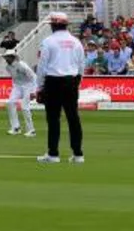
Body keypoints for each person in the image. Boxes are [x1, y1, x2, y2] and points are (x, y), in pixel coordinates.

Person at [33, 11, 86, 163]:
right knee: (73, 118)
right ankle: (78, 154)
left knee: (53, 119)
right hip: (71, 81)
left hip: (53, 82)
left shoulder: (48, 41)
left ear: (53, 25)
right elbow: (81, 64)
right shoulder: (76, 42)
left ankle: (53, 154)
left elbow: (42, 66)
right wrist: (77, 81)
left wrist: (39, 86)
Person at [3, 52, 37, 137]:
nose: (5, 59)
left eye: (7, 57)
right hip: (17, 86)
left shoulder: (22, 65)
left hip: (28, 86)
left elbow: (33, 77)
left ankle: (31, 130)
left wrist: (33, 91)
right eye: (5, 57)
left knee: (24, 106)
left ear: (12, 57)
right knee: (10, 103)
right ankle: (16, 128)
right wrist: (15, 89)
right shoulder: (8, 67)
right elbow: (15, 79)